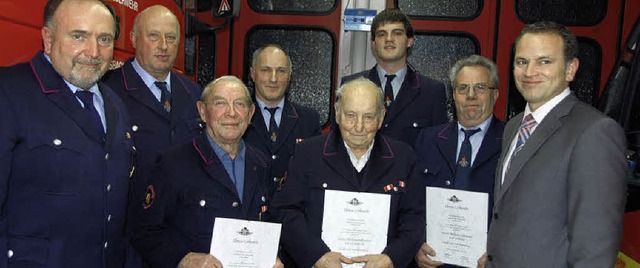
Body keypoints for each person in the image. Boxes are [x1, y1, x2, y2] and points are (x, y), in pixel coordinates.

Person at [0, 0, 134, 266]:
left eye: (105, 39)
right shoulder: (9, 93)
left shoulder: (115, 104)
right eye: (78, 36)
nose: (93, 51)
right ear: (48, 39)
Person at [485, 21, 627, 267]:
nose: (530, 72)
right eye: (522, 62)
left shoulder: (595, 132)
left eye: (544, 61)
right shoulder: (513, 127)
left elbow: (595, 249)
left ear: (571, 69)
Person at [271, 77, 424, 268]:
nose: (358, 127)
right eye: (350, 115)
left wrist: (391, 258)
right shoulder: (308, 154)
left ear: (381, 117)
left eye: (368, 117)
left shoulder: (404, 158)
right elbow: (284, 211)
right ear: (337, 113)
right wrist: (316, 256)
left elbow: (415, 218)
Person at [132, 76, 282, 268]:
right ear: (202, 111)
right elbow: (145, 230)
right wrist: (183, 258)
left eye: (240, 104)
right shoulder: (172, 164)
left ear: (251, 113)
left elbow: (270, 221)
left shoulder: (262, 164)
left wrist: (272, 255)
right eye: (220, 103)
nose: (231, 113)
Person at [102, 5, 202, 209]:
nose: (164, 46)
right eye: (154, 36)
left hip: (182, 223)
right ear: (133, 39)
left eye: (171, 38)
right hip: (130, 225)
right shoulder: (108, 92)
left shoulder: (195, 94)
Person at [413, 55, 503, 268]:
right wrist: (415, 245)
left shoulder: (511, 141)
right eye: (462, 88)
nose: (471, 95)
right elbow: (411, 202)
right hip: (434, 261)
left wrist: (499, 252)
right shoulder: (428, 140)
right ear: (454, 95)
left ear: (495, 94)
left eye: (480, 87)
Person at [340, 8, 448, 146]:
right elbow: (337, 141)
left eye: (397, 33)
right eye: (381, 34)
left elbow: (438, 148)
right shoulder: (350, 85)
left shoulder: (432, 91)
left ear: (410, 41)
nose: (389, 39)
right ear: (373, 43)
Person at [243, 44, 321, 186]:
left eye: (281, 71)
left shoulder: (309, 120)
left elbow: (315, 174)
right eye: (266, 70)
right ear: (253, 74)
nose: (273, 79)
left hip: (293, 206)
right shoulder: (239, 117)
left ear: (289, 76)